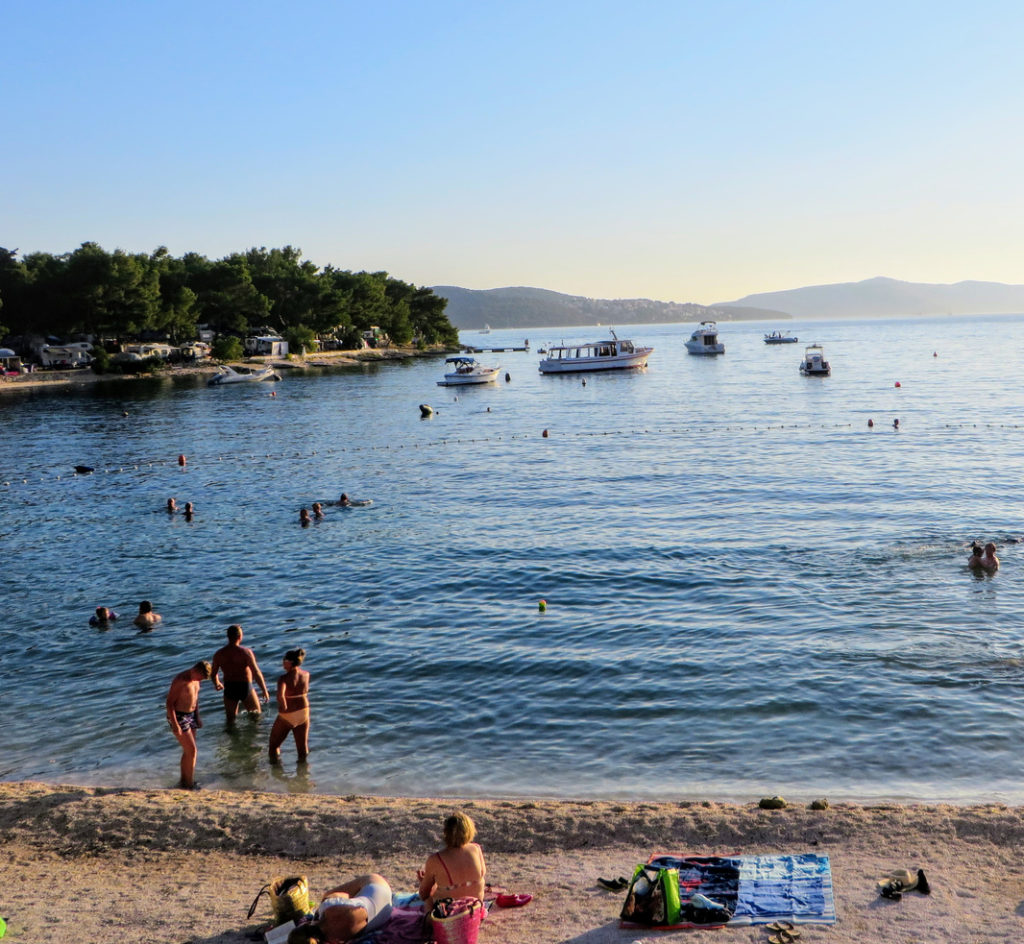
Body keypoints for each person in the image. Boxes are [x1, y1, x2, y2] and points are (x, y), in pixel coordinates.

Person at [287, 874, 393, 944]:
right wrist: (325, 903)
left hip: (382, 916)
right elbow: (342, 895)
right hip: (379, 889)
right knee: (328, 894)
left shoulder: (335, 940)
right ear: (306, 924)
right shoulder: (328, 907)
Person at [417, 811, 486, 908]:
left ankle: (427, 922)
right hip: (475, 910)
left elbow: (424, 894)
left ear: (446, 833)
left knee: (428, 900)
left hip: (450, 917)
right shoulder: (476, 849)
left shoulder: (435, 860)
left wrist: (423, 882)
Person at [165, 660, 212, 789]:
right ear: (195, 670)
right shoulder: (181, 680)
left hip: (191, 716)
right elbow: (169, 703)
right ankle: (190, 784)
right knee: (192, 750)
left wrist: (197, 717)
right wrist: (175, 724)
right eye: (200, 677)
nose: (200, 680)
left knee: (188, 751)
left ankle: (184, 781)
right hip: (178, 715)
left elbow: (195, 698)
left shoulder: (197, 679)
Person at [211, 624, 270, 723]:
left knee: (230, 721)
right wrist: (264, 690)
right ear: (240, 637)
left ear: (228, 637)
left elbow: (213, 673)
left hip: (229, 688)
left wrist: (217, 683)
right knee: (256, 717)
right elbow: (256, 672)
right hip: (245, 687)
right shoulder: (245, 652)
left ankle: (231, 738)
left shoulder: (219, 654)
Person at [269, 648, 310, 762]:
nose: (282, 662)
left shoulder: (283, 678)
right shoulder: (306, 674)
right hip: (304, 712)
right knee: (302, 748)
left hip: (288, 714)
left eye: (284, 660)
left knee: (273, 746)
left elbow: (280, 696)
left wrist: (284, 707)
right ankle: (303, 775)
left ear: (290, 662)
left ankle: (276, 772)